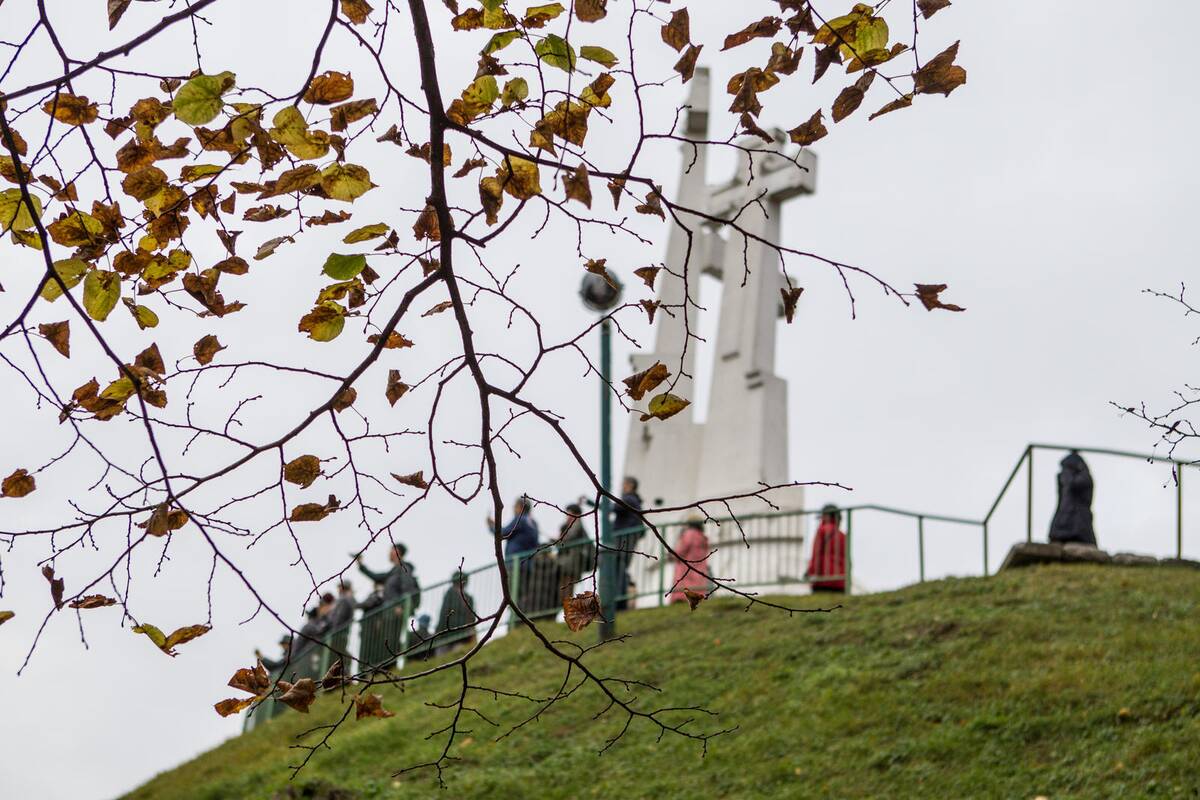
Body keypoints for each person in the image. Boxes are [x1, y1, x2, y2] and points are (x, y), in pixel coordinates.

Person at [355, 544, 420, 670]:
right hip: (387, 612)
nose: (388, 553)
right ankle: (382, 670)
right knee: (384, 641)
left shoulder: (404, 568)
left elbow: (408, 588)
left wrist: (402, 606)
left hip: (396, 612)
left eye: (391, 550)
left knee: (391, 640)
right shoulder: (392, 572)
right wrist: (361, 565)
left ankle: (389, 669)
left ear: (397, 552)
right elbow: (376, 576)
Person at [1049, 451, 1097, 546]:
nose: (1063, 472)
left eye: (1066, 469)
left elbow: (1074, 485)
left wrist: (1067, 478)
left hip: (1078, 521)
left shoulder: (1084, 478)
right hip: (1064, 518)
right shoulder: (1066, 479)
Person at [611, 477, 645, 609]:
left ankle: (618, 601)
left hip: (622, 541)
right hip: (627, 542)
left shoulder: (629, 499)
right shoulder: (635, 501)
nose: (622, 487)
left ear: (630, 485)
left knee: (617, 569)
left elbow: (615, 507)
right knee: (621, 569)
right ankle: (620, 600)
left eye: (624, 484)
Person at [557, 503, 595, 601]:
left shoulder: (577, 525)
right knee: (565, 590)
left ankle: (568, 608)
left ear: (576, 515)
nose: (567, 517)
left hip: (571, 565)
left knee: (566, 590)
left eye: (569, 514)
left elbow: (568, 539)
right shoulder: (571, 526)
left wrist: (558, 541)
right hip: (568, 564)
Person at [668, 518, 711, 604]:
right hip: (699, 566)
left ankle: (681, 598)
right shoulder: (702, 537)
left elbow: (682, 549)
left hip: (686, 565)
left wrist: (672, 555)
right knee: (697, 583)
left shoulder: (689, 534)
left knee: (684, 583)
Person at [806, 505, 847, 593]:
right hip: (840, 582)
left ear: (826, 516)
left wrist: (812, 574)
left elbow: (816, 555)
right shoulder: (843, 536)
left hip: (822, 581)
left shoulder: (822, 531)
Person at [434, 571, 478, 654]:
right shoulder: (452, 594)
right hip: (457, 634)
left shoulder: (465, 597)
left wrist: (438, 631)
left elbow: (443, 613)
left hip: (456, 634)